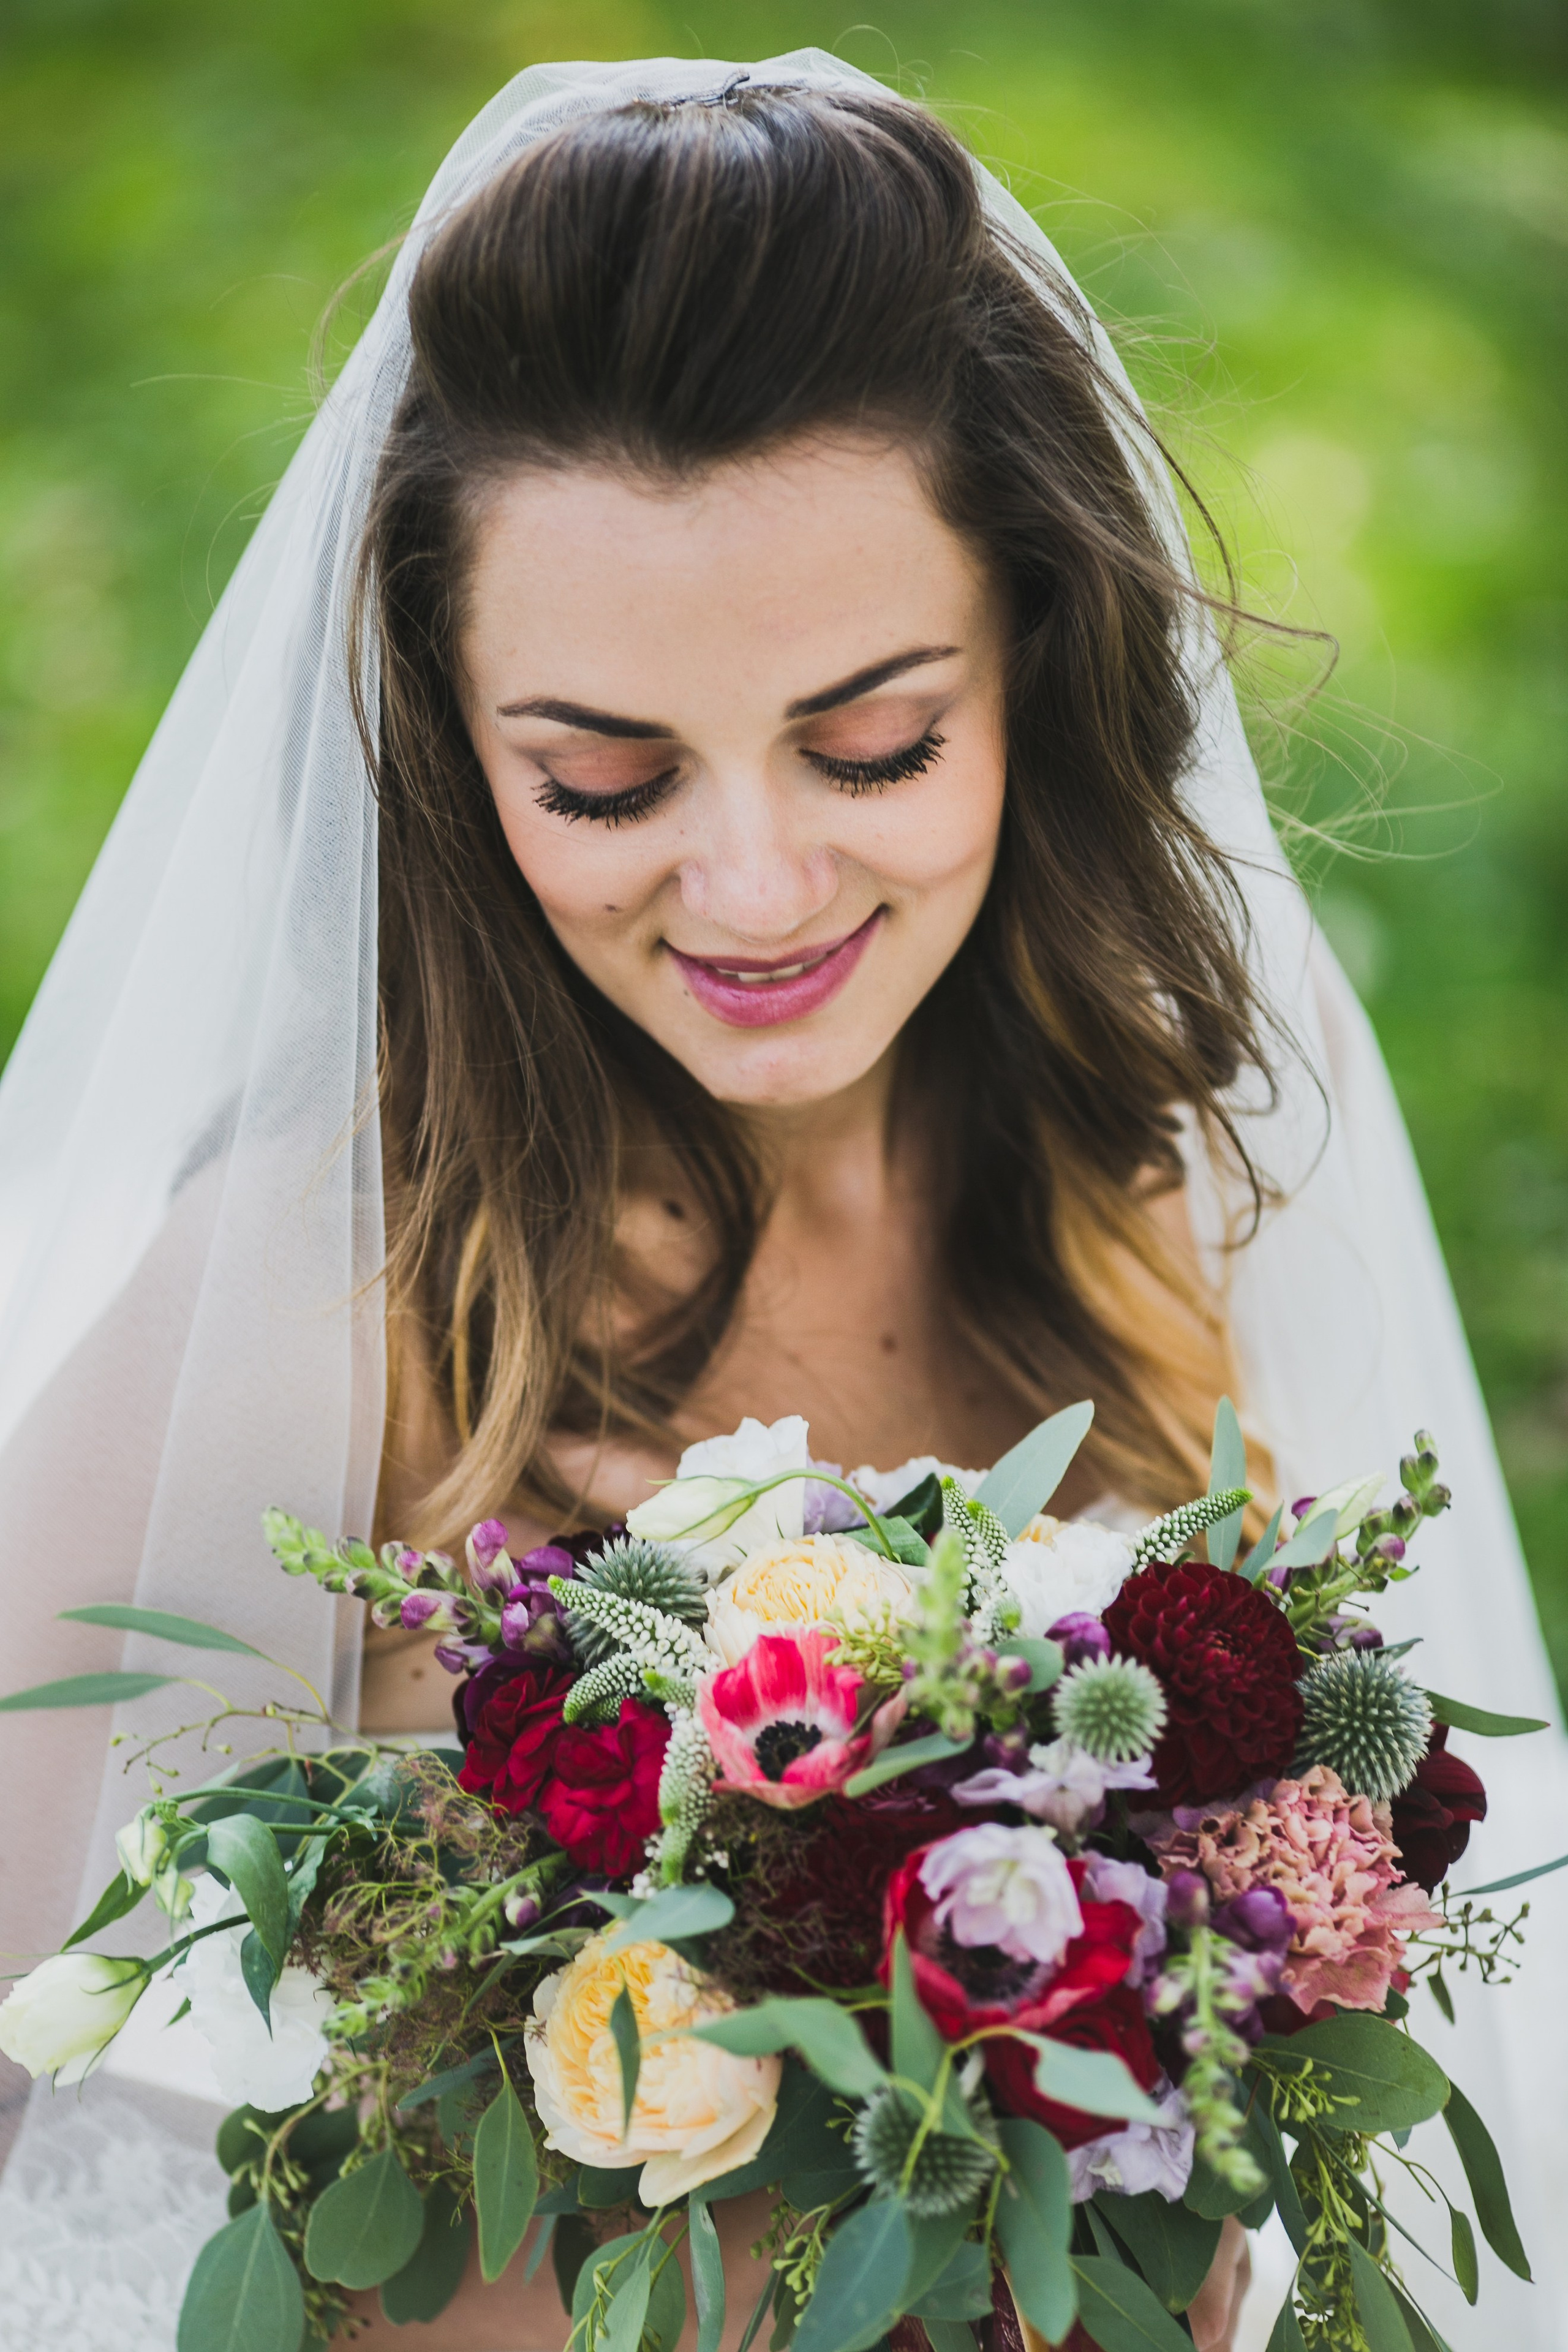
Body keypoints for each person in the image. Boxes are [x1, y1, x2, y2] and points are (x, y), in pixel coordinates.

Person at [0, 52, 1561, 2352]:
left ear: (1034, 652)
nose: (751, 886)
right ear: (453, 742)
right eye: (605, 779)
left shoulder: (1194, 1168)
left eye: (872, 745)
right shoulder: (331, 1300)